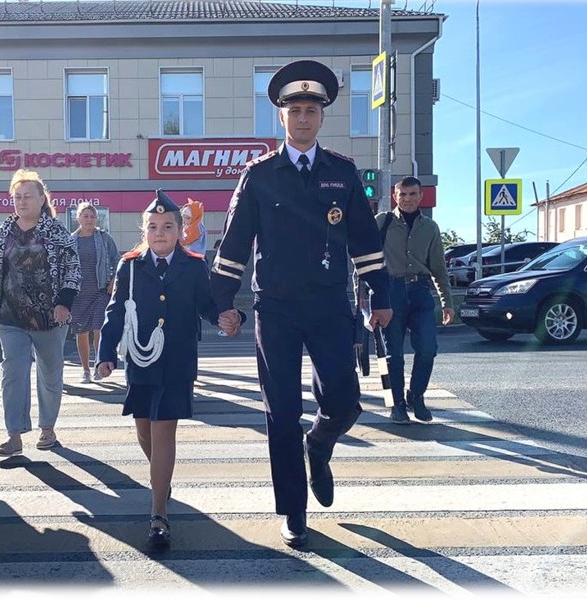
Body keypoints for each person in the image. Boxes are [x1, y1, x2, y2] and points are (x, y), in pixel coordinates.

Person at [210, 60, 393, 548]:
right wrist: (221, 301)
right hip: (277, 310)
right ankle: (293, 510)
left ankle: (321, 442)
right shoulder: (260, 176)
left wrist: (380, 293)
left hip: (332, 306)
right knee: (281, 411)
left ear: (321, 117)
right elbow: (234, 242)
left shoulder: (342, 173)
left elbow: (365, 241)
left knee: (345, 400)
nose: (304, 118)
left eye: (312, 110)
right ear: (281, 118)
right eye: (295, 111)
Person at [96, 190, 240, 549]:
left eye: (168, 226)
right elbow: (115, 312)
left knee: (163, 433)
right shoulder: (130, 265)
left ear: (180, 231)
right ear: (144, 230)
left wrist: (227, 317)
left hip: (176, 361)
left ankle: (158, 513)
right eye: (153, 226)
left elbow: (207, 305)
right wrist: (105, 352)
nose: (160, 233)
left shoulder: (193, 265)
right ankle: (163, 479)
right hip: (141, 362)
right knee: (143, 429)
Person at [0, 169, 81, 457]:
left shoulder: (56, 230)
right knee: (13, 372)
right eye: (17, 197)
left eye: (28, 197)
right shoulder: (4, 231)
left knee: (50, 374)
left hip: (50, 317)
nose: (21, 202)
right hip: (12, 317)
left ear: (41, 199)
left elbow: (73, 268)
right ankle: (14, 434)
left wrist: (64, 301)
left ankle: (47, 428)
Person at [359, 176, 454, 424]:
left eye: (413, 194)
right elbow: (362, 261)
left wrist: (447, 302)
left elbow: (439, 268)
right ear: (395, 196)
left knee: (427, 348)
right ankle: (397, 405)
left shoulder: (430, 228)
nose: (408, 199)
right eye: (403, 195)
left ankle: (416, 396)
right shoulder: (382, 222)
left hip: (420, 291)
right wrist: (363, 300)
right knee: (393, 356)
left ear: (421, 196)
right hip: (389, 292)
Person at [69, 203, 119, 383]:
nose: (89, 219)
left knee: (99, 327)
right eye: (85, 216)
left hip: (100, 289)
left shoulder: (104, 238)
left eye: (92, 216)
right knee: (81, 332)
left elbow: (117, 259)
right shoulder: (71, 240)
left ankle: (99, 365)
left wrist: (113, 280)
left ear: (96, 219)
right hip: (79, 293)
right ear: (79, 219)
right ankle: (85, 370)